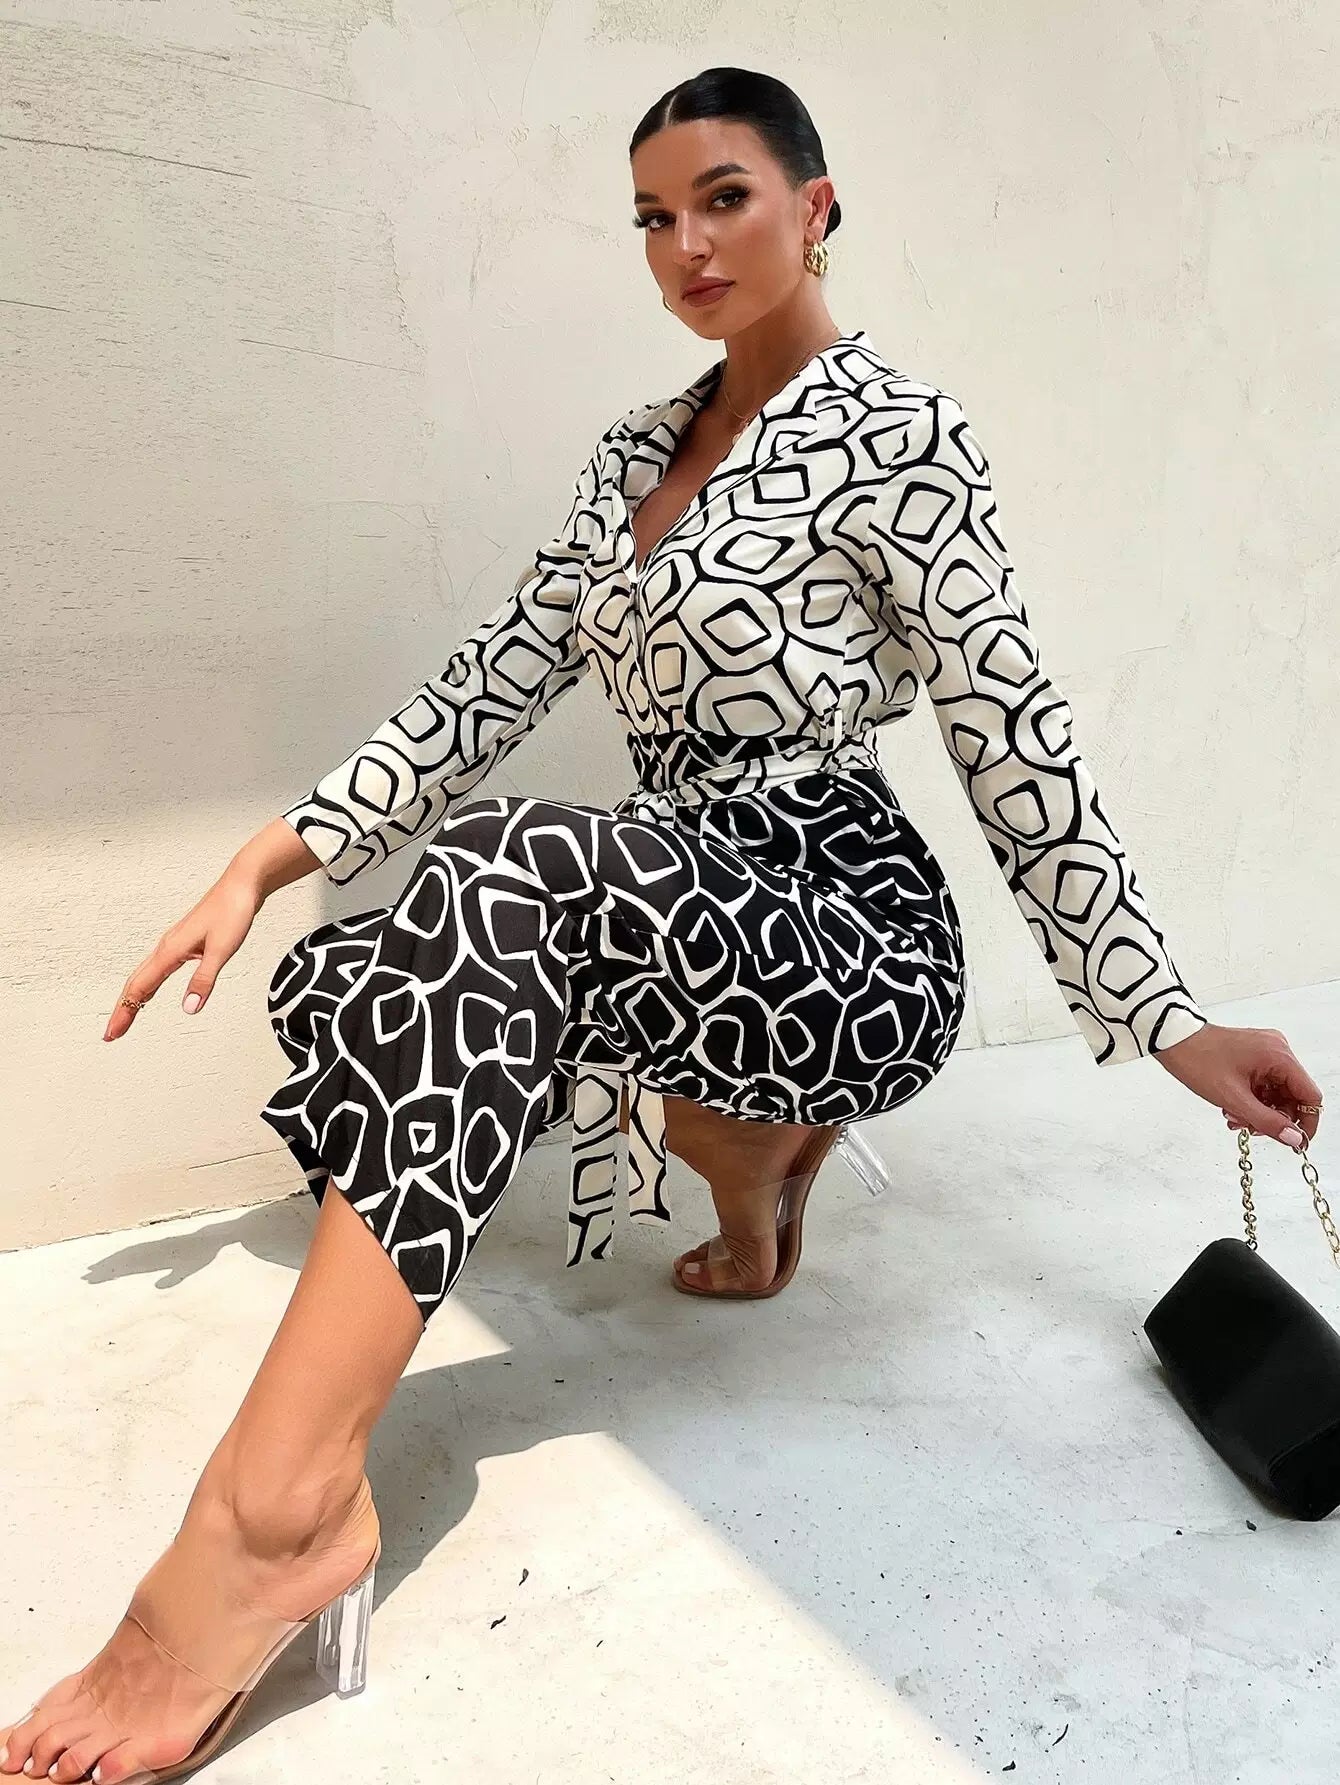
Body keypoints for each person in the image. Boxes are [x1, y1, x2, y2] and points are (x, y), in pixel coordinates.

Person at [3, 64, 1323, 1785]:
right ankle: (751, 1161)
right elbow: (495, 676)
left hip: (844, 921)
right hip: (677, 894)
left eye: (724, 198)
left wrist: (1166, 1014)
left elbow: (1015, 738)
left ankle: (271, 1515)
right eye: (651, 216)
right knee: (351, 972)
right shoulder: (636, 451)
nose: (685, 244)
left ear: (816, 207)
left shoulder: (903, 436)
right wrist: (266, 856)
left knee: (503, 877)